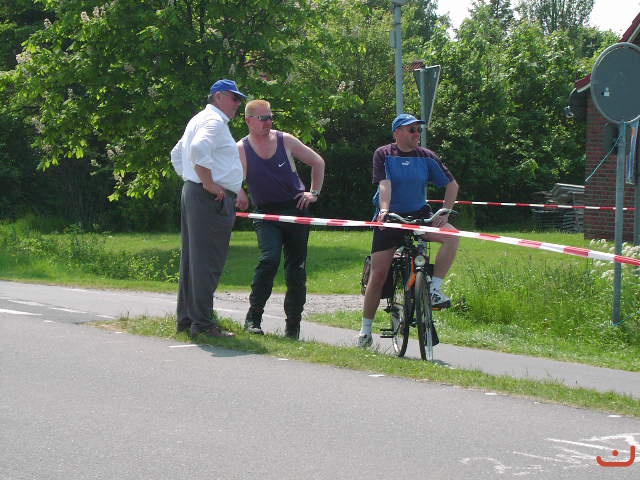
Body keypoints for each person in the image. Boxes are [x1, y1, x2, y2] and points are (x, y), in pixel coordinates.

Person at [357, 113, 459, 347]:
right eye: (411, 130)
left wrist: (444, 212)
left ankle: (433, 289)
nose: (417, 134)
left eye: (418, 130)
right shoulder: (384, 153)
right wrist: (384, 210)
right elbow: (385, 184)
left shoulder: (426, 156)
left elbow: (452, 185)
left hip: (420, 215)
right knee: (378, 274)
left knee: (452, 237)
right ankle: (365, 330)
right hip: (391, 217)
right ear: (397, 133)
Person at [238, 99, 325, 339]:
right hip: (266, 213)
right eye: (263, 118)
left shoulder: (285, 140)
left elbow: (317, 161)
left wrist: (313, 193)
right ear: (248, 121)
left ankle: (293, 327)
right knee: (269, 260)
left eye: (270, 117)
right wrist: (239, 192)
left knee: (296, 269)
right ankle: (253, 318)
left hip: (296, 210)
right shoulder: (241, 148)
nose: (269, 122)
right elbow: (230, 177)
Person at [170, 79, 249, 338]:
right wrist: (207, 183)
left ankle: (188, 319)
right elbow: (196, 149)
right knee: (207, 262)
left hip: (196, 193)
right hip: (209, 197)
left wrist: (192, 179)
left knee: (193, 261)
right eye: (234, 98)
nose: (238, 104)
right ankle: (202, 324)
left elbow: (177, 153)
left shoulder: (199, 119)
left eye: (239, 99)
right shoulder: (214, 121)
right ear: (219, 97)